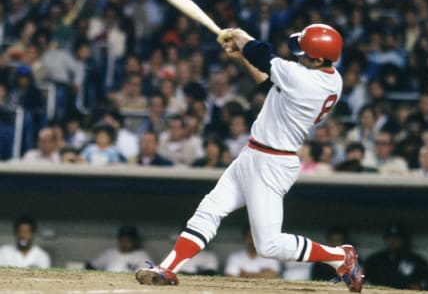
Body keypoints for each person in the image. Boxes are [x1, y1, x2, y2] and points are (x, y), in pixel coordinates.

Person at [135, 24, 362, 292]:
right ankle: (168, 268)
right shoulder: (329, 77)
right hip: (254, 154)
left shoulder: (304, 79)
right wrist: (242, 54)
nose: (298, 56)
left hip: (272, 163)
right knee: (209, 209)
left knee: (269, 245)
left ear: (319, 59)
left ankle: (339, 256)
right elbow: (268, 79)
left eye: (304, 53)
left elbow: (261, 53)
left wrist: (239, 36)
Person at [364, 224, 428, 290]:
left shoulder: (415, 260)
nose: (393, 241)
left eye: (397, 238)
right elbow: (361, 276)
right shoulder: (375, 259)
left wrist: (421, 285)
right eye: (390, 238)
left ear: (404, 240)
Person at [86, 225, 152, 272]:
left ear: (134, 241)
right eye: (123, 239)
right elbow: (91, 266)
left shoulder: (142, 255)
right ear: (119, 239)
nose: (125, 243)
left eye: (129, 240)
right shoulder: (110, 253)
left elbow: (152, 273)